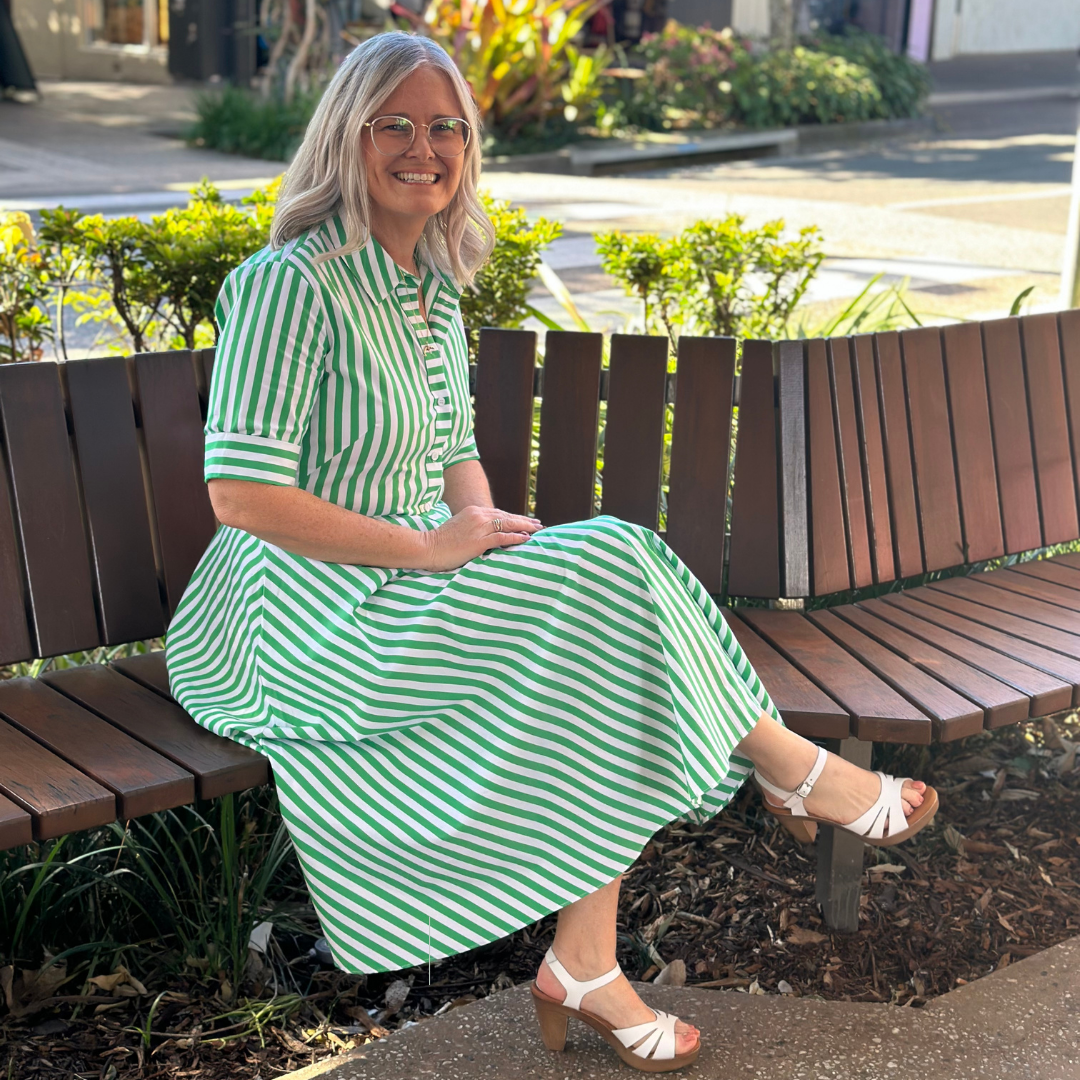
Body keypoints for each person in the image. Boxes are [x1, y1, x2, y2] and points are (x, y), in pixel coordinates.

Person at [165, 31, 937, 1072]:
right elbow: (243, 496)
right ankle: (789, 772)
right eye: (393, 122)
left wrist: (486, 538)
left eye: (446, 126)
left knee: (601, 612)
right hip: (297, 618)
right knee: (614, 564)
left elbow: (455, 456)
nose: (422, 147)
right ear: (344, 137)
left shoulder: (431, 289)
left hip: (414, 574)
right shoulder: (288, 286)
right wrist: (434, 550)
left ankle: (586, 963)